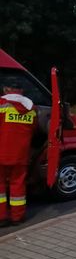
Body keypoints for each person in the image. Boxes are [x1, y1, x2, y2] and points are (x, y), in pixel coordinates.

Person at [0, 80, 37, 227]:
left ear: (7, 89)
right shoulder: (31, 108)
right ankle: (17, 217)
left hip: (1, 152)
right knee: (18, 185)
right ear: (21, 91)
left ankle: (1, 218)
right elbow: (34, 129)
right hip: (21, 153)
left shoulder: (2, 104)